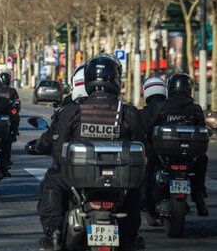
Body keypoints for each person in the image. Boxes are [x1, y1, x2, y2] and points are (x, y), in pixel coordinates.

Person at [37, 54, 145, 251]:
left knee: (52, 181)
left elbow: (58, 150)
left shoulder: (73, 111)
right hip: (119, 180)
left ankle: (54, 234)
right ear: (116, 80)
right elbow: (142, 148)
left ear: (87, 80)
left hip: (78, 181)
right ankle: (130, 236)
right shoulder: (129, 113)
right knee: (135, 189)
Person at [147, 73, 209, 217]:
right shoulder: (196, 109)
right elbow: (202, 129)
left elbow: (150, 127)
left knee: (150, 164)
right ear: (189, 88)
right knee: (202, 160)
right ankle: (199, 196)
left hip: (166, 156)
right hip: (189, 156)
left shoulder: (162, 107)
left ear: (170, 88)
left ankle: (147, 200)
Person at [139, 77, 167, 219]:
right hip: (170, 154)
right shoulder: (171, 108)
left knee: (144, 170)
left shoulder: (142, 112)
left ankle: (143, 199)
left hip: (151, 153)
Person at [0, 72, 20, 167]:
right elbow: (18, 105)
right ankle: (14, 132)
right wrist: (14, 111)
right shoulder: (12, 91)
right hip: (8, 116)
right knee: (16, 118)